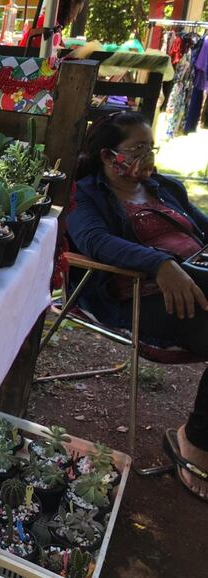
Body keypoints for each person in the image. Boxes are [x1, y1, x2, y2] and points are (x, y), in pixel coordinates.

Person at [67, 111, 208, 500]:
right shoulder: (86, 196)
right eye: (137, 148)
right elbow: (95, 242)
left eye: (151, 146)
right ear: (109, 156)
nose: (148, 155)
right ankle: (191, 440)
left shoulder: (165, 187)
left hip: (198, 282)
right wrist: (160, 264)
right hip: (139, 297)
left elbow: (202, 228)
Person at [20, 0, 86, 48]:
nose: (74, 18)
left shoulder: (48, 21)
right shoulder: (51, 25)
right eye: (76, 11)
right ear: (70, 6)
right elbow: (53, 55)